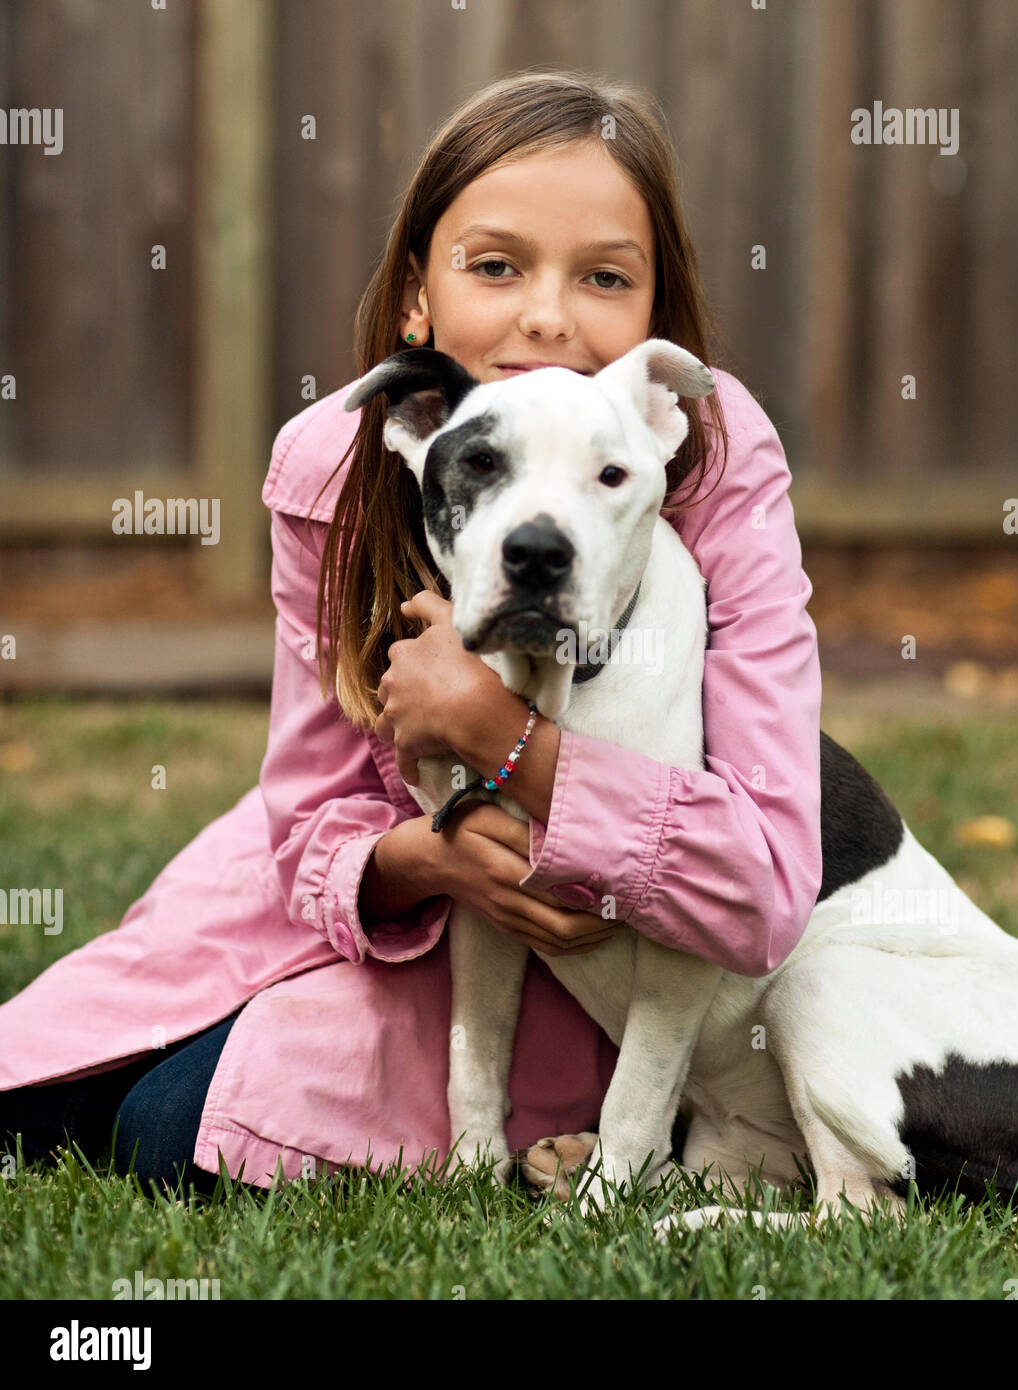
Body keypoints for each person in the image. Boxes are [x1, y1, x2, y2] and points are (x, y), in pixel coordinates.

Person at [0, 69, 823, 1198]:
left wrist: (500, 738)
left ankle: (626, 1138)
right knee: (46, 1094)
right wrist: (419, 858)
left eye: (603, 277)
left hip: (577, 957)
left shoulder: (711, 457)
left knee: (169, 1132)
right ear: (415, 302)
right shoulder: (340, 466)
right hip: (390, 885)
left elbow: (766, 883)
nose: (545, 315)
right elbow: (308, 813)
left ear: (654, 330)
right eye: (496, 265)